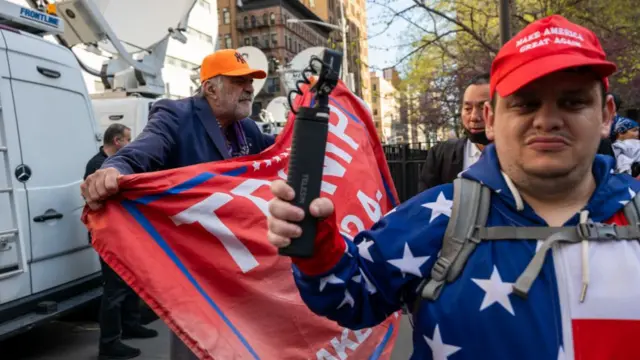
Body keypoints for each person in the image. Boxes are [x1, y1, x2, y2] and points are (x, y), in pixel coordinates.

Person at [266, 15, 639, 359]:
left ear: (606, 115)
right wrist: (316, 245)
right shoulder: (438, 217)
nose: (548, 120)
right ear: (491, 120)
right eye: (525, 105)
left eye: (572, 102)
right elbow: (348, 295)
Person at [81, 49, 274, 359]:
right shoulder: (176, 115)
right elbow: (142, 150)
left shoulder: (248, 129)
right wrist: (113, 170)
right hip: (194, 272)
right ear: (211, 88)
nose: (250, 87)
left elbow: (281, 154)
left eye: (250, 80)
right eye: (239, 81)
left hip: (241, 267)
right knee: (197, 349)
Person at [85, 124, 158, 360]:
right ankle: (109, 345)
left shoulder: (114, 164)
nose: (131, 144)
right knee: (114, 290)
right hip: (110, 237)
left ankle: (131, 325)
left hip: (125, 235)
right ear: (117, 141)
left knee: (129, 283)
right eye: (128, 139)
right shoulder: (99, 167)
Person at [418, 73, 491, 191]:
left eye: (483, 108)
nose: (474, 117)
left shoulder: (522, 155)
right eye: (468, 109)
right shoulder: (440, 156)